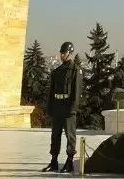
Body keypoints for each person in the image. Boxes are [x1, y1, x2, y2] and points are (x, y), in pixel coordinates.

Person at [42, 41, 83, 173]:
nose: (61, 55)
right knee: (55, 135)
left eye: (63, 53)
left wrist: (73, 108)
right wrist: (49, 108)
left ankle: (69, 161)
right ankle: (54, 161)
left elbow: (77, 92)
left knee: (70, 135)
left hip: (68, 107)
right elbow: (51, 92)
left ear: (69, 53)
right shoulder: (57, 71)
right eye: (61, 53)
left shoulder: (75, 70)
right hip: (57, 106)